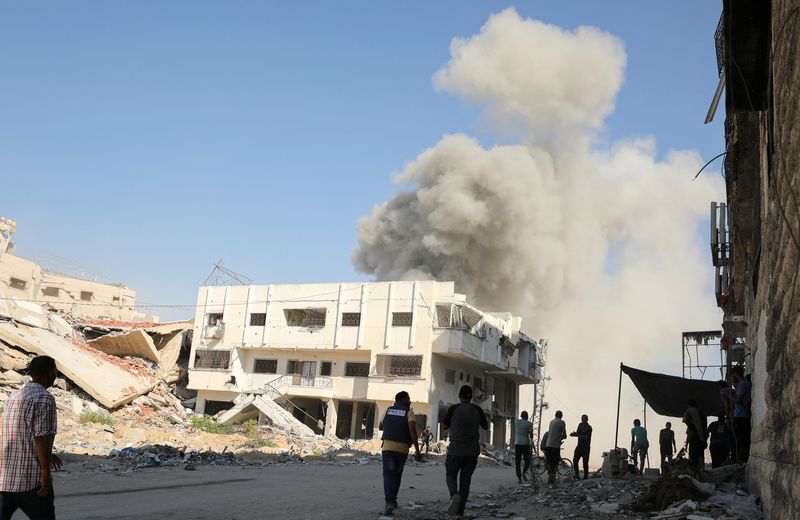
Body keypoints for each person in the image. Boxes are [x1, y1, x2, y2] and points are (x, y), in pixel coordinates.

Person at [0, 356, 61, 520]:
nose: (55, 375)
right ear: (48, 373)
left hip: (6, 478)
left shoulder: (13, 397)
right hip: (31, 480)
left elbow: (20, 433)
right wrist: (45, 472)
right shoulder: (44, 398)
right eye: (55, 371)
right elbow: (41, 437)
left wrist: (49, 454)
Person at [442, 385, 488, 517]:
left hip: (455, 449)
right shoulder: (477, 409)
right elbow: (485, 426)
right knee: (465, 479)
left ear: (459, 395)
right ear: (471, 396)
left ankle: (454, 495)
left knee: (450, 475)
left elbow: (444, 426)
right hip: (472, 450)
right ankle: (460, 511)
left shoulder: (453, 409)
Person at [378, 391, 421, 516]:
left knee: (388, 475)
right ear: (402, 400)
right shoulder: (409, 412)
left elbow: (381, 426)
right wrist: (417, 450)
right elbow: (412, 430)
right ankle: (393, 500)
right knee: (397, 475)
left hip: (387, 447)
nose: (410, 401)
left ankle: (389, 502)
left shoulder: (388, 410)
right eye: (408, 399)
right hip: (402, 449)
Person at [730, 366, 751, 463]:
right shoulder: (741, 384)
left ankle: (743, 461)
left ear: (735, 374)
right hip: (741, 415)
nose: (731, 378)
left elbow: (738, 400)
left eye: (732, 375)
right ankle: (742, 460)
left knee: (742, 440)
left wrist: (728, 395)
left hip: (742, 416)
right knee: (741, 440)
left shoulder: (743, 384)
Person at [683, 399, 708, 474]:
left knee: (693, 455)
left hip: (694, 436)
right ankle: (701, 471)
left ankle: (694, 472)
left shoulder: (689, 411)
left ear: (689, 405)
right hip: (702, 436)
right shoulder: (702, 413)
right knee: (700, 454)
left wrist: (692, 428)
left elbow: (685, 420)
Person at [544, 411, 567, 485]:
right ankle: (552, 478)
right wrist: (562, 437)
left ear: (555, 415)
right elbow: (564, 434)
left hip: (548, 444)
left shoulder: (551, 422)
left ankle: (549, 477)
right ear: (562, 416)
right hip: (555, 446)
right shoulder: (562, 422)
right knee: (555, 462)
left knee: (549, 462)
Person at [511, 411, 532, 484]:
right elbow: (531, 434)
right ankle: (524, 472)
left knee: (518, 461)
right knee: (527, 460)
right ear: (527, 416)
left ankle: (519, 478)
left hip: (517, 443)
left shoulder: (516, 422)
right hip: (526, 443)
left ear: (521, 416)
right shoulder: (529, 423)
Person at [570, 414, 592, 480]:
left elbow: (586, 437)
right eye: (582, 419)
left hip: (586, 448)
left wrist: (577, 435)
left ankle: (585, 476)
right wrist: (574, 434)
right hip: (579, 446)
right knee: (575, 460)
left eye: (584, 419)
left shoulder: (589, 428)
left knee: (585, 463)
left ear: (587, 419)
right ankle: (577, 475)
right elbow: (577, 433)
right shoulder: (580, 425)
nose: (583, 420)